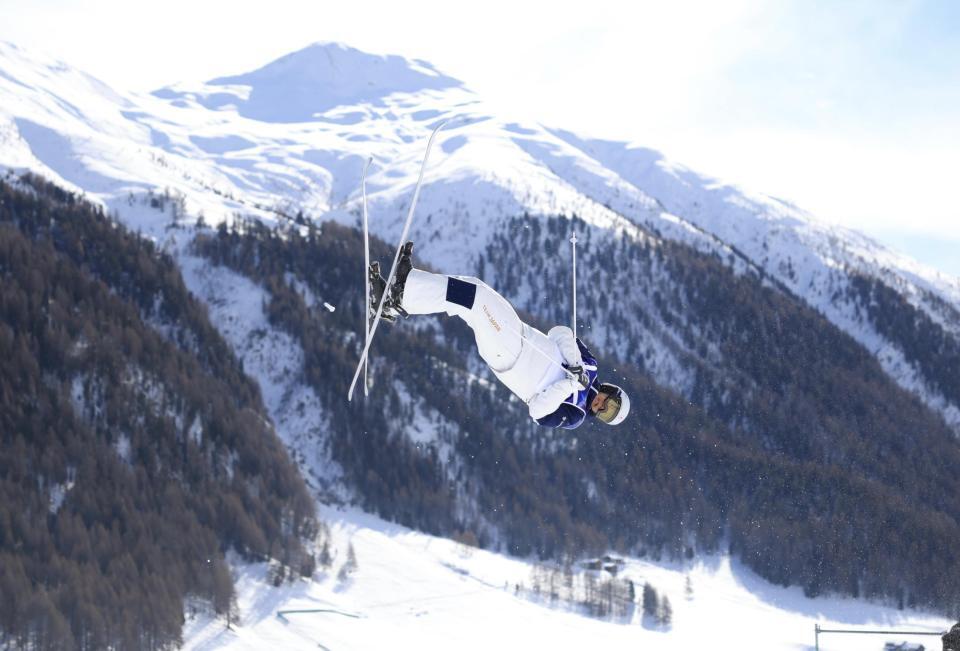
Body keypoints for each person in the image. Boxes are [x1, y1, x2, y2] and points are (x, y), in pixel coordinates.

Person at [370, 242, 630, 429]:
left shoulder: (574, 415)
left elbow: (537, 411)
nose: (602, 408)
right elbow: (560, 332)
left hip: (510, 358)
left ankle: (402, 295)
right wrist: (575, 365)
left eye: (607, 415)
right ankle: (403, 292)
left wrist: (570, 385)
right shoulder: (590, 366)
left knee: (476, 299)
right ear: (611, 392)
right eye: (611, 405)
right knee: (474, 288)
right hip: (518, 332)